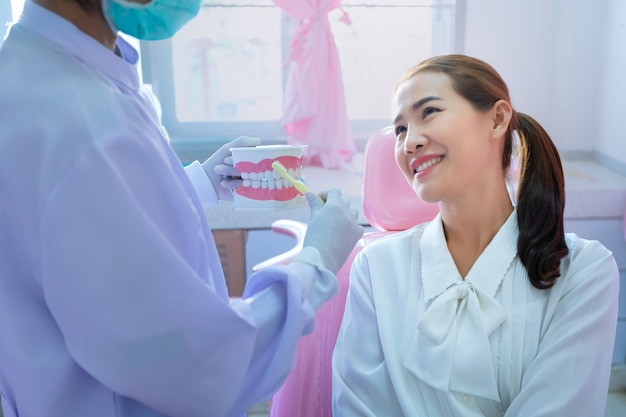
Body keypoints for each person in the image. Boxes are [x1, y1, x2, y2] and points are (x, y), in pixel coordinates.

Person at [0, 0, 363, 416]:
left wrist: (195, 186)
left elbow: (89, 226)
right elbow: (195, 365)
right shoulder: (84, 122)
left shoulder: (34, 72)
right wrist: (314, 265)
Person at [331, 54, 619, 417]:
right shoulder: (376, 268)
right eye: (401, 128)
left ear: (497, 119)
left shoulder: (583, 272)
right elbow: (357, 406)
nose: (408, 143)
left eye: (429, 112)